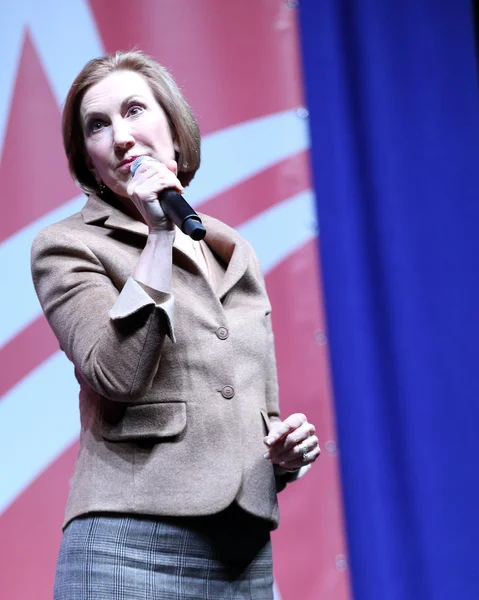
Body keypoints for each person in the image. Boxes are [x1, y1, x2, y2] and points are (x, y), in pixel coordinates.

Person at [31, 50, 321, 600]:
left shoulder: (232, 250)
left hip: (244, 556)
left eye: (135, 110)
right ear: (89, 162)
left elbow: (253, 409)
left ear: (175, 132)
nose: (121, 136)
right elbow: (115, 376)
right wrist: (157, 235)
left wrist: (283, 453)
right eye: (99, 125)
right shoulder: (67, 246)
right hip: (130, 544)